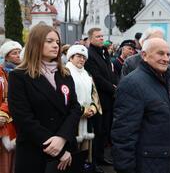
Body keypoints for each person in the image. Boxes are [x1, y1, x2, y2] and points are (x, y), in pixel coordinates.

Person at [8, 24, 82, 173]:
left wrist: (62, 138)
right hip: (35, 151)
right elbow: (23, 118)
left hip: (66, 147)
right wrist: (58, 151)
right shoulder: (19, 76)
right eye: (49, 41)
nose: (55, 45)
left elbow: (75, 108)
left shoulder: (65, 74)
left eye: (57, 42)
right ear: (36, 43)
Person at [112, 38, 170, 173]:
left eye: (168, 54)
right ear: (144, 55)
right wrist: (125, 169)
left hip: (166, 162)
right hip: (146, 164)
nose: (166, 58)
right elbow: (123, 134)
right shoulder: (132, 84)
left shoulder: (167, 80)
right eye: (160, 53)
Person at [84, 27, 117, 173]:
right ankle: (94, 162)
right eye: (98, 36)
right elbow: (96, 77)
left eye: (102, 36)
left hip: (108, 98)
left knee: (105, 131)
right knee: (98, 131)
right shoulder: (89, 54)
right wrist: (113, 88)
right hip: (98, 100)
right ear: (90, 39)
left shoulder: (103, 52)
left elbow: (109, 73)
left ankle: (101, 156)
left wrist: (114, 85)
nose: (101, 38)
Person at [65, 45, 103, 162]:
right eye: (78, 56)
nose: (82, 59)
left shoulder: (87, 74)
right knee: (71, 154)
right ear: (71, 57)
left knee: (84, 155)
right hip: (71, 120)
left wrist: (93, 107)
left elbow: (94, 93)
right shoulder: (64, 73)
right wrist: (81, 110)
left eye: (84, 57)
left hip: (87, 121)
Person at [0, 40, 22, 173]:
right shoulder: (2, 73)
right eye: (14, 53)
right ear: (6, 56)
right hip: (5, 122)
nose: (18, 55)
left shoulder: (23, 71)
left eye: (19, 52)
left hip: (18, 121)